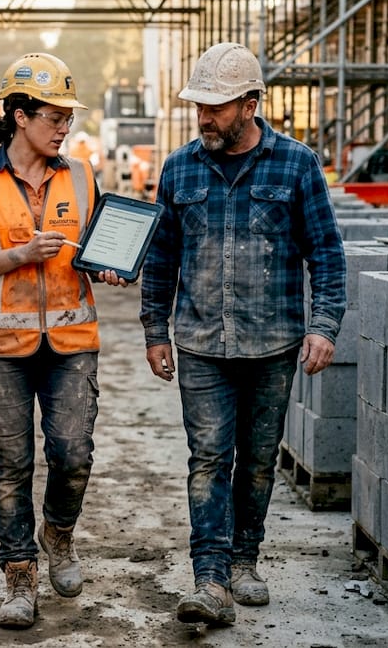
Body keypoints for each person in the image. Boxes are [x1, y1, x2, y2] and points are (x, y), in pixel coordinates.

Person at [139, 42, 347, 625]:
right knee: (208, 459)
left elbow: (326, 253)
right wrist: (155, 329)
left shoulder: (297, 165)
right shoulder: (179, 168)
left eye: (217, 107)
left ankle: (243, 560)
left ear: (250, 105)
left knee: (257, 461)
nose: (204, 118)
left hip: (272, 344)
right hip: (201, 342)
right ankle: (209, 578)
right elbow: (161, 256)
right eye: (199, 107)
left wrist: (324, 326)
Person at [0, 52, 127, 630]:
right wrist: (19, 255)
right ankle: (19, 573)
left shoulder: (81, 176)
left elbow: (97, 246)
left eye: (68, 118)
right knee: (12, 465)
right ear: (20, 116)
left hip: (71, 342)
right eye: (54, 116)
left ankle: (59, 533)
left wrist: (109, 266)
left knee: (73, 454)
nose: (63, 127)